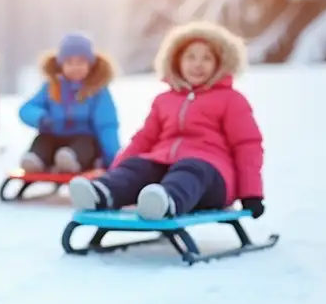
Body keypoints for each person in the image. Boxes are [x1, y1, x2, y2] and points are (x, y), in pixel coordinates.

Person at [68, 21, 265, 220]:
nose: (198, 64)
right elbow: (144, 139)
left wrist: (251, 193)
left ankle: (166, 201)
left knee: (190, 169)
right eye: (190, 57)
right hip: (164, 165)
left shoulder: (231, 100)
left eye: (207, 58)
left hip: (211, 175)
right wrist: (116, 171)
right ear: (177, 61)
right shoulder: (164, 100)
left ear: (219, 64)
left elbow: (247, 145)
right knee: (139, 166)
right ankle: (103, 192)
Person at [17, 32, 121, 174]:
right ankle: (36, 159)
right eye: (69, 62)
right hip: (55, 135)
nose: (75, 67)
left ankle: (70, 160)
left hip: (84, 142)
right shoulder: (53, 87)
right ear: (61, 65)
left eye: (80, 62)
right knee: (43, 140)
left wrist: (112, 158)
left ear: (90, 64)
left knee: (85, 143)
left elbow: (107, 125)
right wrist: (41, 118)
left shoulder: (97, 91)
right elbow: (28, 108)